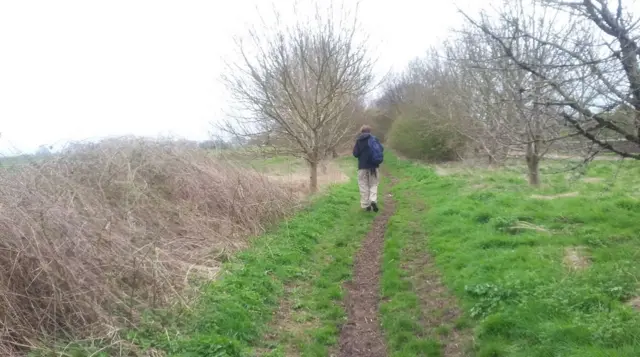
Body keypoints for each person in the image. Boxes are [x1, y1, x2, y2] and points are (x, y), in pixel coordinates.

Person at [352, 125, 384, 212]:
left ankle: (366, 204)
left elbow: (355, 154)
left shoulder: (359, 140)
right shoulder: (374, 139)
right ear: (370, 131)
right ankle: (373, 200)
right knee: (374, 184)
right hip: (374, 166)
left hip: (362, 167)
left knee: (363, 185)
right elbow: (381, 149)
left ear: (361, 131)